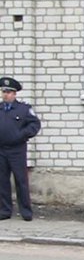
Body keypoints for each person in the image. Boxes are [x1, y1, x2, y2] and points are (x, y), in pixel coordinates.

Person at [0, 77, 41, 221]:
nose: (5, 95)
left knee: (21, 181)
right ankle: (5, 210)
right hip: (1, 150)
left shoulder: (23, 109)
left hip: (17, 150)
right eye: (4, 92)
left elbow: (35, 125)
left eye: (9, 92)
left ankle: (26, 211)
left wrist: (21, 135)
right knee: (2, 181)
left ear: (14, 94)